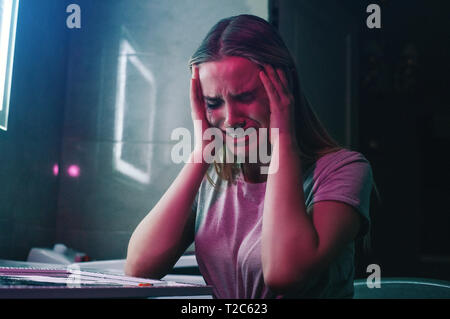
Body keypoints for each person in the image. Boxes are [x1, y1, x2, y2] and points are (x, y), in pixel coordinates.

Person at [125, 14, 374, 298]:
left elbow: (285, 274)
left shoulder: (345, 171)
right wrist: (202, 151)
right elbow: (139, 269)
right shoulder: (212, 180)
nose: (231, 120)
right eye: (214, 102)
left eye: (244, 97)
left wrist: (283, 137)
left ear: (284, 89)